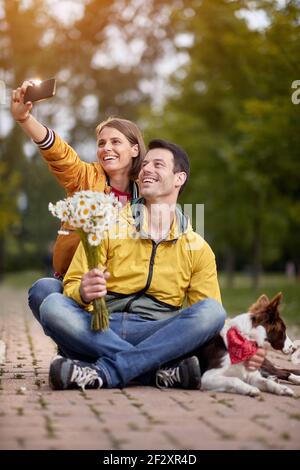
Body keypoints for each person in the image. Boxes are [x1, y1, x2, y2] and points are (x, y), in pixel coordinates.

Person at [38, 138, 227, 391]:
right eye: (145, 164)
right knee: (52, 304)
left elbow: (204, 323)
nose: (146, 169)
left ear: (179, 178)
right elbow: (71, 284)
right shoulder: (106, 225)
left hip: (158, 331)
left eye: (158, 164)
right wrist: (83, 291)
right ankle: (157, 373)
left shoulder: (197, 248)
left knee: (213, 312)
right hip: (101, 327)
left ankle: (102, 371)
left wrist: (245, 358)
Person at [10, 80, 146, 320]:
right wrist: (24, 119)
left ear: (135, 149)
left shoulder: (146, 195)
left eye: (116, 142)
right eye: (101, 143)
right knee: (43, 290)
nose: (106, 148)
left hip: (121, 293)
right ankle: (72, 341)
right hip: (76, 287)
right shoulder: (85, 177)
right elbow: (58, 154)